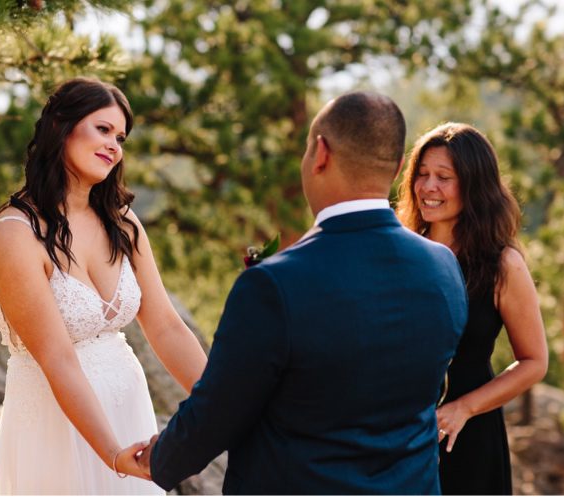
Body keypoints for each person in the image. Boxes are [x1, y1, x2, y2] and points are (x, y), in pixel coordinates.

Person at [140, 91, 468, 494]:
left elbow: (219, 412)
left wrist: (158, 461)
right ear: (399, 167)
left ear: (321, 154)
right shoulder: (444, 268)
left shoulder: (274, 286)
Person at [0, 77, 206, 494]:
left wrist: (224, 406)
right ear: (61, 128)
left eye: (120, 137)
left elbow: (166, 326)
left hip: (129, 407)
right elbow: (57, 358)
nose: (114, 146)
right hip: (56, 422)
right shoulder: (15, 235)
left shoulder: (122, 222)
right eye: (103, 129)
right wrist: (112, 455)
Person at [396, 123, 549, 494]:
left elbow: (534, 362)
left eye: (444, 177)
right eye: (422, 175)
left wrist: (464, 408)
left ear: (474, 186)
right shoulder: (400, 251)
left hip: (469, 436)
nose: (428, 187)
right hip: (398, 431)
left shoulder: (503, 264)